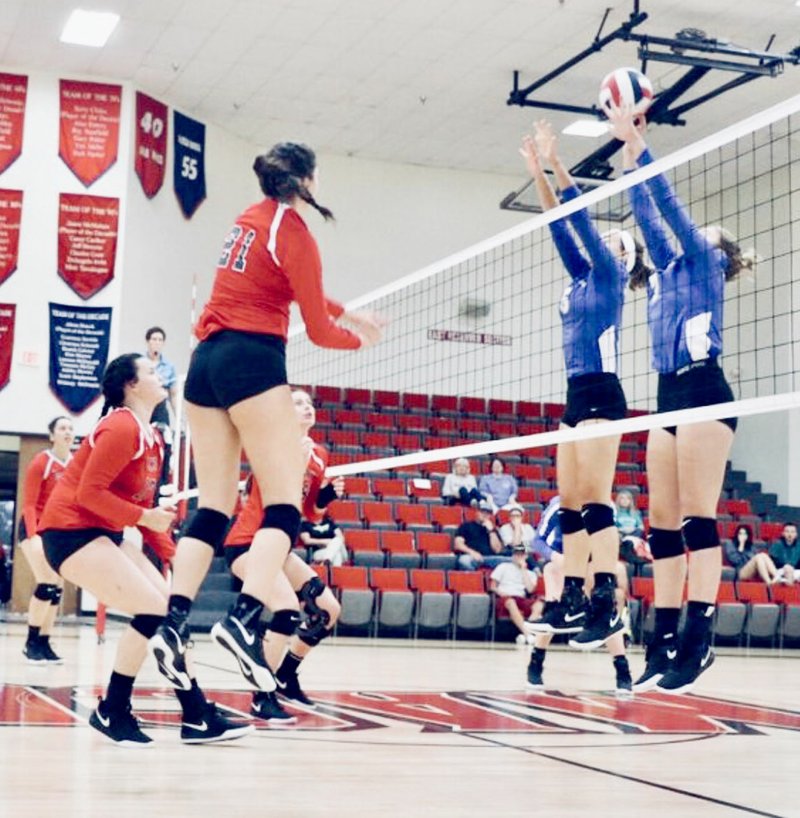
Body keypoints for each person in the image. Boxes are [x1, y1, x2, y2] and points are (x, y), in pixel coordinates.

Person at [148, 146, 382, 698]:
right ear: (305, 180)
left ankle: (175, 620)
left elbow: (296, 287)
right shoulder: (296, 229)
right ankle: (243, 617)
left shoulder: (248, 220)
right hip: (253, 360)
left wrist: (345, 309)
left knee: (214, 506)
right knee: (282, 505)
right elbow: (318, 331)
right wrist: (357, 337)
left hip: (204, 362)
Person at [609, 104, 754, 693]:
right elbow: (647, 215)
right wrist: (626, 150)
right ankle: (661, 641)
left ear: (718, 254)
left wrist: (641, 150)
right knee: (662, 527)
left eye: (706, 234)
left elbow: (666, 207)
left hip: (703, 389)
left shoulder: (702, 261)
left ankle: (699, 639)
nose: (698, 235)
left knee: (698, 521)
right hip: (668, 396)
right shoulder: (667, 270)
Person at [39, 354, 250, 745]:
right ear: (131, 385)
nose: (161, 377)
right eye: (151, 372)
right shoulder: (120, 426)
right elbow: (89, 494)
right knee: (150, 610)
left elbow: (150, 515)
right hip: (69, 532)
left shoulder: (151, 436)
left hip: (103, 532)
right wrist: (144, 517)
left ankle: (195, 713)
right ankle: (112, 709)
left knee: (170, 612)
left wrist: (174, 556)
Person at [521, 120, 650, 650]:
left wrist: (556, 162)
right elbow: (558, 223)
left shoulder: (609, 273)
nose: (608, 240)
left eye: (618, 240)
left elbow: (577, 217)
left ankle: (605, 602)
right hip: (575, 398)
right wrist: (536, 176)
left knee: (596, 502)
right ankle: (571, 596)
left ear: (625, 259)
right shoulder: (581, 277)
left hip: (601, 392)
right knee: (570, 503)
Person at [223, 388, 343, 720]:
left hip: (281, 547)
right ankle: (263, 695)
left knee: (327, 610)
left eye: (309, 403)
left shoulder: (319, 453)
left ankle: (286, 676)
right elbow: (267, 495)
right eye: (298, 403)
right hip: (249, 542)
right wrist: (295, 462)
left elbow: (309, 512)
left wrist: (326, 497)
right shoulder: (272, 442)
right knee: (287, 611)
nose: (307, 408)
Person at [525, 495, 633, 696]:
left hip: (592, 563)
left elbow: (608, 541)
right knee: (553, 590)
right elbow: (537, 540)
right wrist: (556, 557)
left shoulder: (605, 504)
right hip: (562, 560)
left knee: (604, 611)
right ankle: (536, 662)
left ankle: (622, 668)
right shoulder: (558, 503)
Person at [18, 416, 74, 663]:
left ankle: (44, 642)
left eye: (71, 428)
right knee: (47, 581)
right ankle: (30, 643)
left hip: (57, 531)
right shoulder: (42, 461)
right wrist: (34, 536)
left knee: (57, 587)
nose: (67, 432)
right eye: (62, 428)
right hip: (33, 528)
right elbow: (29, 504)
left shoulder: (75, 464)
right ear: (52, 435)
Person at [144, 326, 177, 488]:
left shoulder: (168, 367)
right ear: (147, 342)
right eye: (154, 339)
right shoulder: (140, 363)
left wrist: (178, 417)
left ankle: (161, 482)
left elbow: (173, 394)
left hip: (160, 408)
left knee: (164, 442)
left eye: (160, 340)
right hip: (143, 406)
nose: (156, 343)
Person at [490, 544, 538, 641]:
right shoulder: (503, 567)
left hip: (521, 597)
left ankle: (526, 633)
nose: (518, 557)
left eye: (521, 555)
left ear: (526, 556)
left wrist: (523, 569)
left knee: (539, 604)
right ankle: (528, 634)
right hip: (505, 598)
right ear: (513, 556)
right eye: (516, 555)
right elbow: (492, 587)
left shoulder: (531, 574)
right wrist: (502, 593)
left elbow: (530, 590)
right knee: (511, 602)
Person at [453, 500, 508, 570]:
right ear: (477, 512)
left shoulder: (493, 529)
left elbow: (497, 550)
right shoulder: (466, 526)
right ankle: (474, 579)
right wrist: (472, 553)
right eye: (482, 512)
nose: (485, 515)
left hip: (490, 558)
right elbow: (458, 545)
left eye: (488, 513)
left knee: (513, 562)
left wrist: (491, 531)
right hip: (471, 556)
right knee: (464, 561)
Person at [614, 489, 650, 564]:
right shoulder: (615, 512)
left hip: (634, 534)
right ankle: (629, 554)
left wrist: (631, 530)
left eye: (627, 498)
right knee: (616, 534)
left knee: (639, 531)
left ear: (630, 501)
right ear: (618, 500)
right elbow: (613, 527)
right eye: (622, 498)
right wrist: (623, 529)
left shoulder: (635, 513)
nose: (625, 500)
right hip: (621, 534)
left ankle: (626, 549)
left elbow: (641, 527)